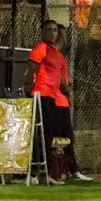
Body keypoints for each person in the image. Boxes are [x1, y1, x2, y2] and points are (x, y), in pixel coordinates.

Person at [26, 19, 91, 183]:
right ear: (42, 31)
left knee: (65, 136)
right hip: (44, 95)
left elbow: (62, 78)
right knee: (45, 136)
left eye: (55, 30)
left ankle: (71, 170)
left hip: (56, 98)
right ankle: (40, 173)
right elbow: (31, 71)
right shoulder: (40, 49)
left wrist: (67, 89)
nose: (52, 33)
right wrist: (28, 88)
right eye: (49, 30)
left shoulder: (57, 53)